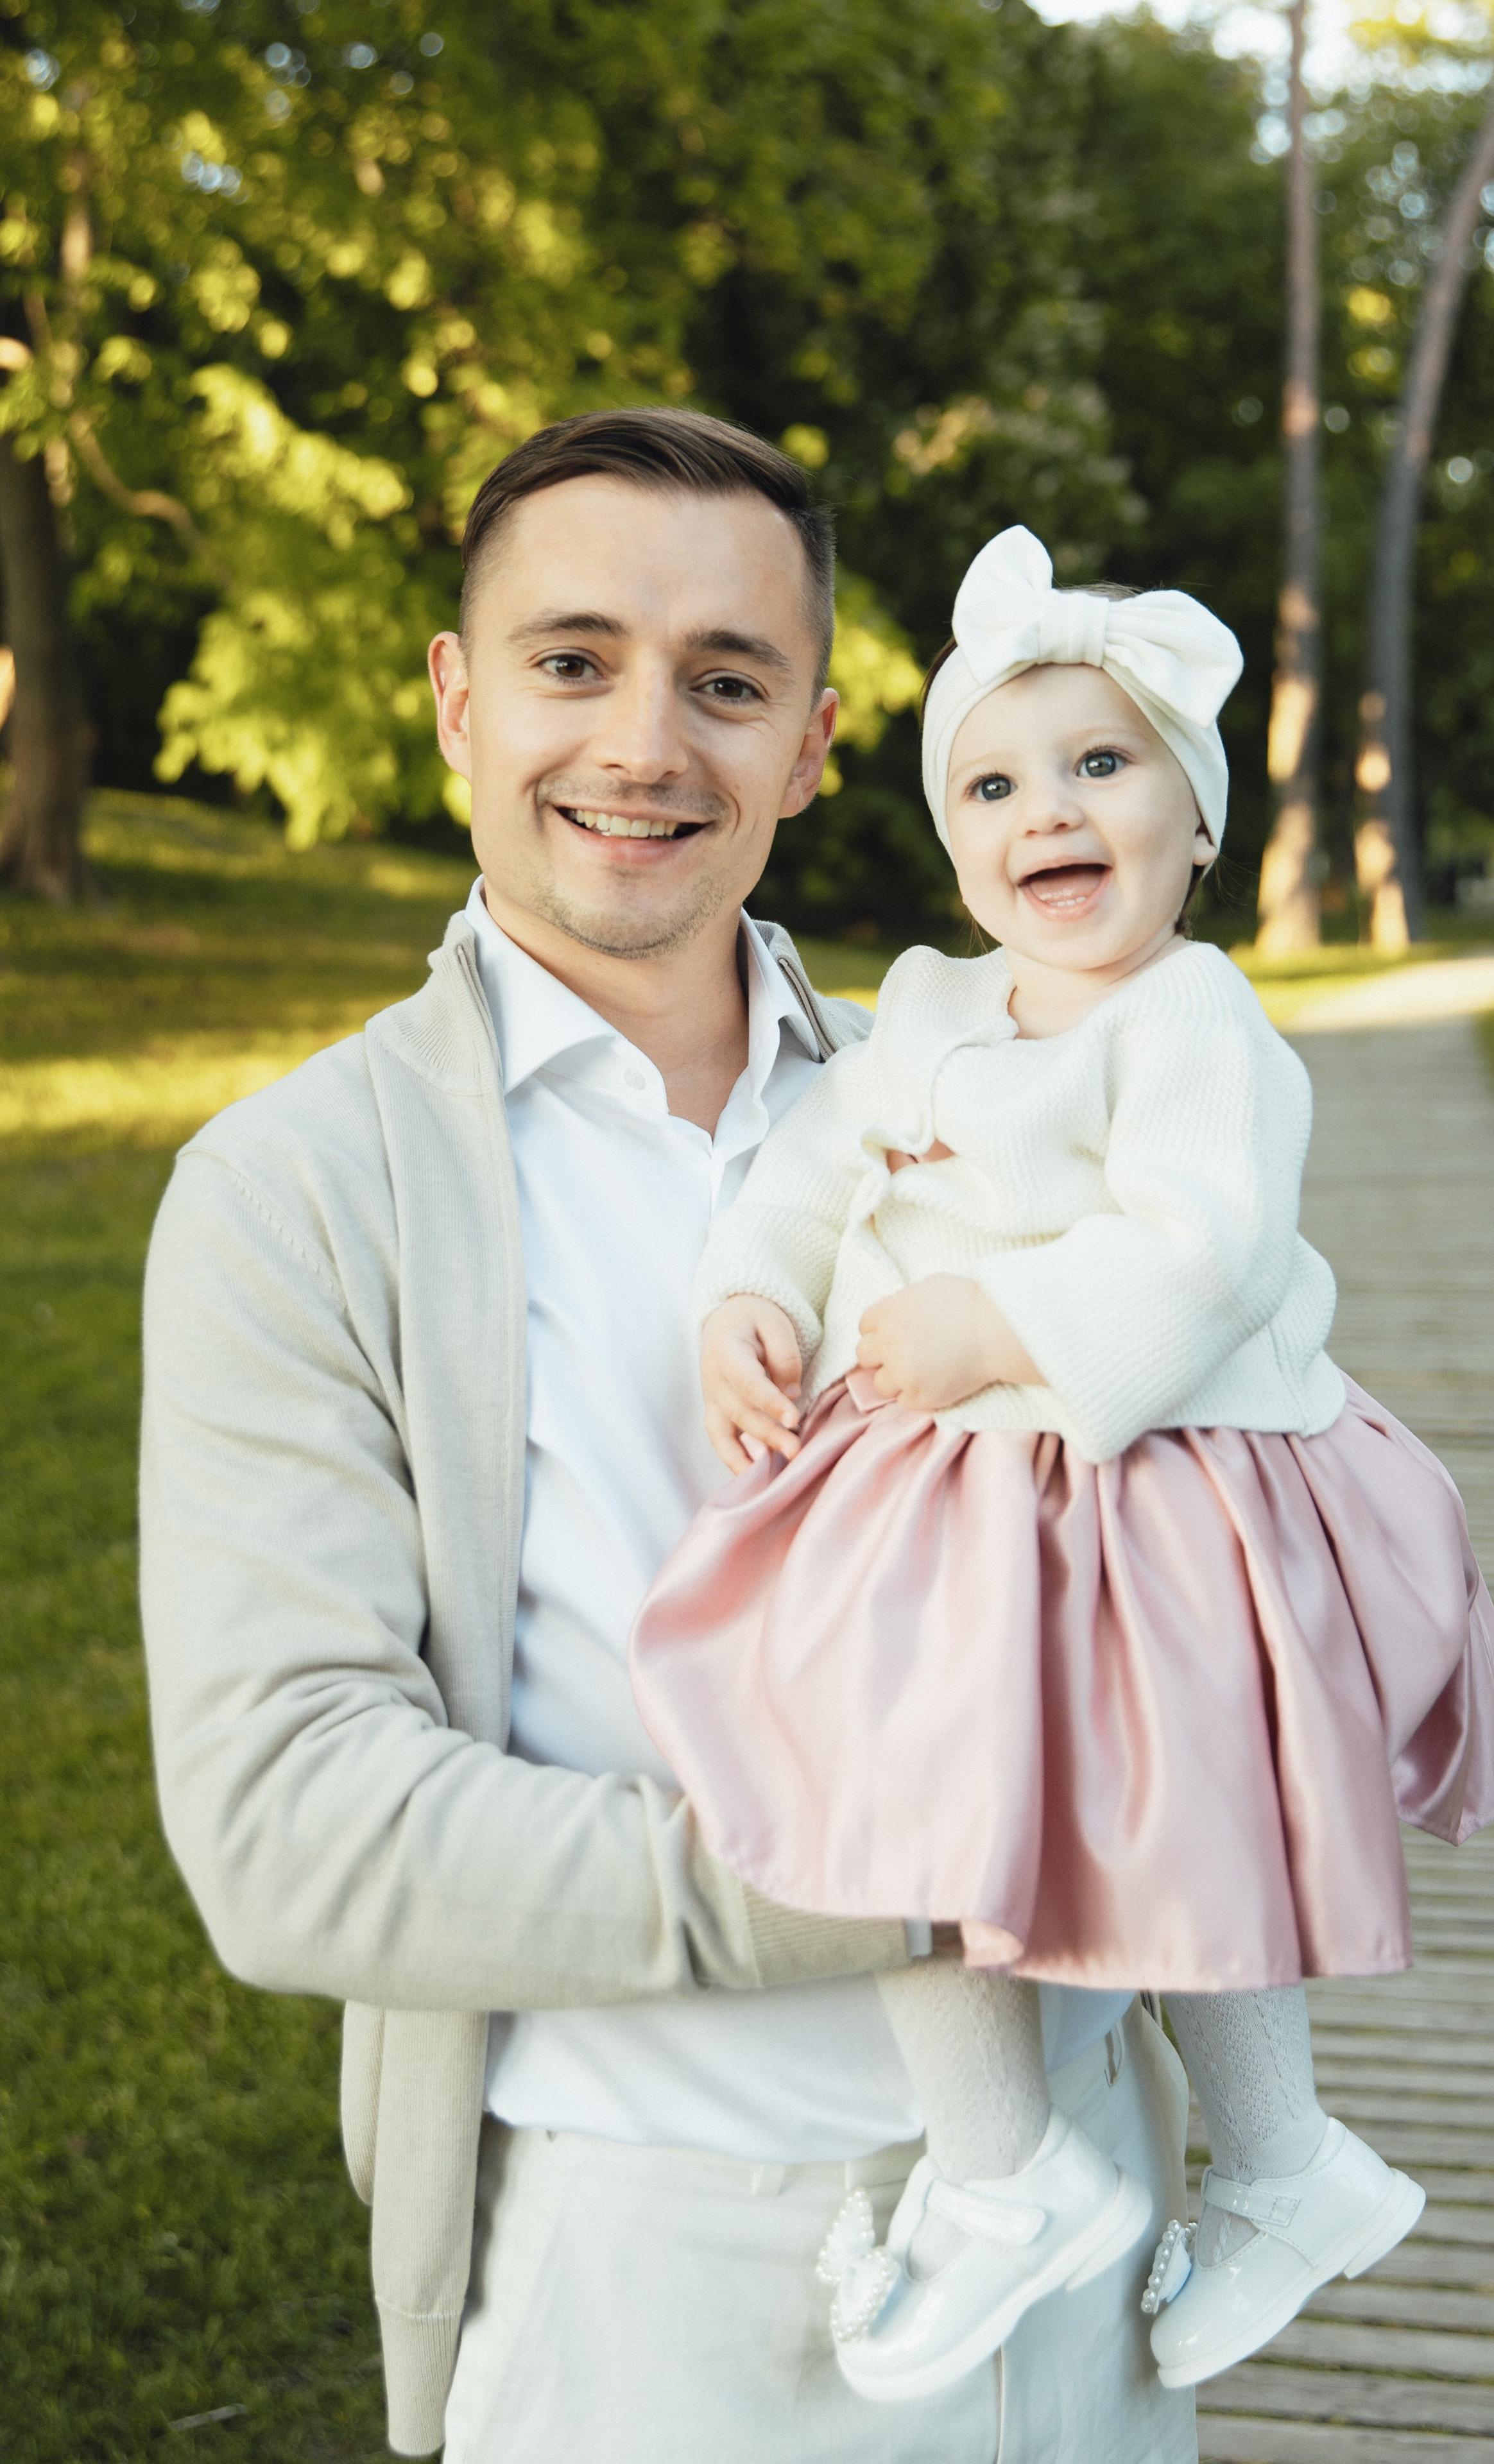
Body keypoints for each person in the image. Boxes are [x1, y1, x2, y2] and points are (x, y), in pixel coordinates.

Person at [140, 419, 1198, 2463]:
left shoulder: (993, 1092)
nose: (644, 743)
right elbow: (291, 1829)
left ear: (813, 746)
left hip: (1090, 2222)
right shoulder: (296, 1193)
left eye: (726, 681)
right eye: (571, 661)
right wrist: (895, 1882)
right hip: (659, 2276)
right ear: (458, 699)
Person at [630, 524, 1494, 2403]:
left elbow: (1208, 1246)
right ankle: (1018, 2164)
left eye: (1102, 764)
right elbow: (805, 1173)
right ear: (958, 847)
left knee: (1168, 1813)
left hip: (1147, 1481)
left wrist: (1001, 1322)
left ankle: (1271, 2158)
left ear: (1196, 826)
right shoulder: (931, 1011)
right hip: (961, 1494)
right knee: (890, 1785)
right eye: (993, 785)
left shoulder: (1191, 1015)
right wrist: (750, 1299)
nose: (1046, 809)